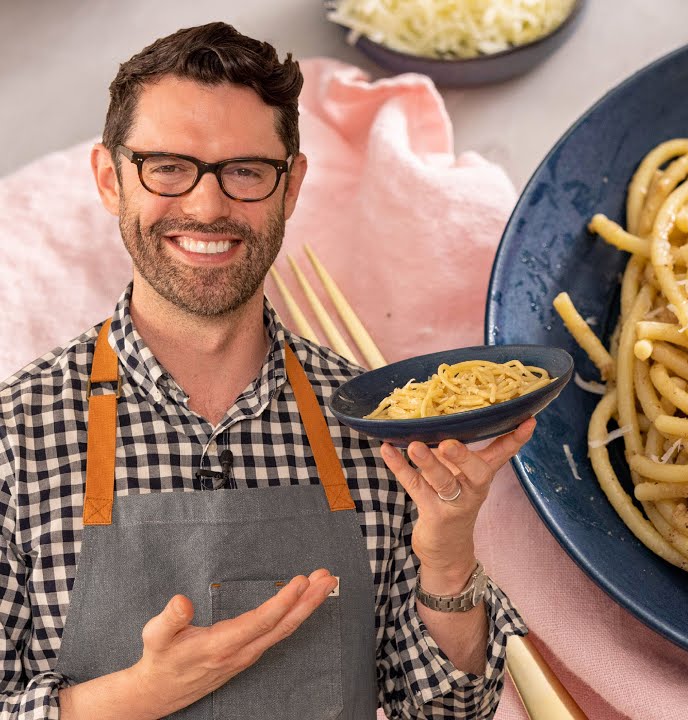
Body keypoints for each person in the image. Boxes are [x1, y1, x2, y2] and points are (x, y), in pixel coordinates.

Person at [0, 22, 530, 719]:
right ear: (110, 178)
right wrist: (134, 697)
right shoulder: (15, 437)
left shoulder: (380, 429)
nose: (207, 206)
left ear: (291, 186)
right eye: (167, 166)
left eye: (246, 171)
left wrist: (449, 553)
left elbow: (446, 711)